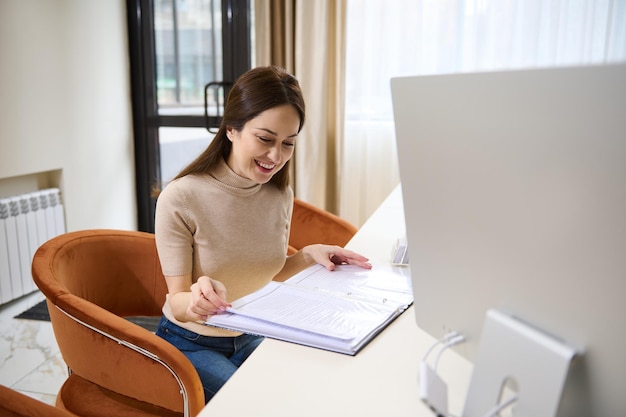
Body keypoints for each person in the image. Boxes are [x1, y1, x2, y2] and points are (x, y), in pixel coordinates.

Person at [154, 65, 372, 403]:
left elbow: (264, 274)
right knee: (258, 405)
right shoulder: (182, 197)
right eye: (265, 139)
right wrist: (197, 301)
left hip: (251, 331)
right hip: (190, 342)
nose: (276, 156)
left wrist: (306, 255)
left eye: (288, 143)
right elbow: (178, 301)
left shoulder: (277, 195)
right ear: (231, 129)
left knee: (320, 392)